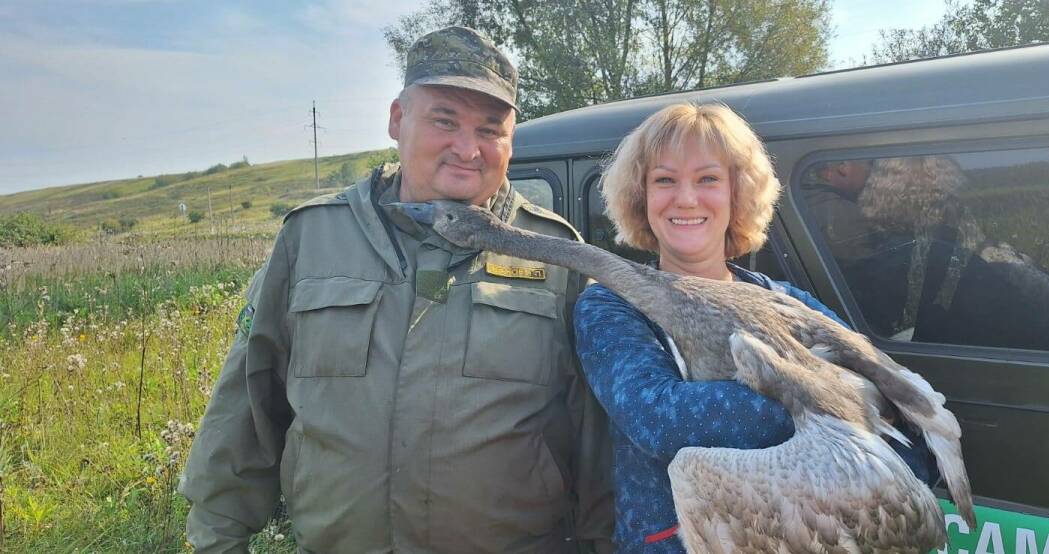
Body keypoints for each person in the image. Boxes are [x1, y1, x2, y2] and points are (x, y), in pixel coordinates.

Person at [180, 27, 614, 553]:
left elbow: (598, 444)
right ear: (396, 118)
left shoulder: (552, 252)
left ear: (511, 140)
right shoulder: (312, 238)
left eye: (490, 129)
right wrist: (217, 537)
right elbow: (247, 406)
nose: (467, 148)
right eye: (444, 120)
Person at [571, 103, 937, 553]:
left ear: (737, 194)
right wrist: (828, 402)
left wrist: (854, 411)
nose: (686, 198)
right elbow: (661, 420)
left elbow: (903, 419)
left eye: (708, 179)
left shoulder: (786, 301)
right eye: (664, 180)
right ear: (640, 197)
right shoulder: (611, 304)